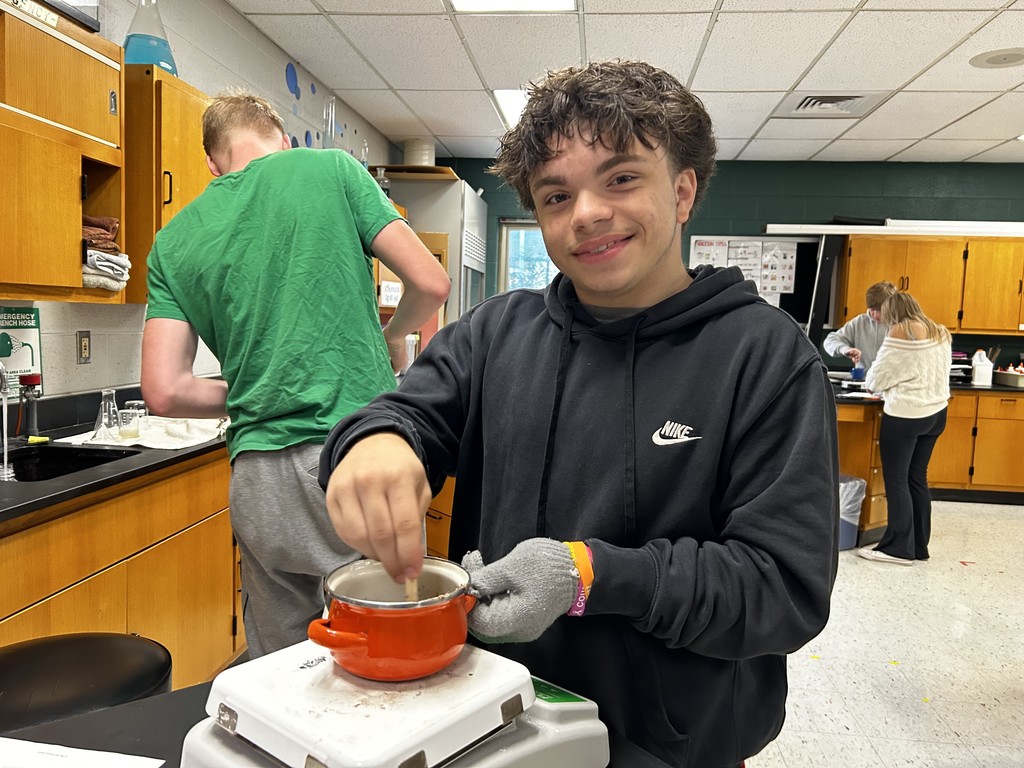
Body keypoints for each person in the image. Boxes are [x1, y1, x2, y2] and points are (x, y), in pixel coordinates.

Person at [318, 60, 838, 768]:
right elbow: (409, 412)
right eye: (556, 195)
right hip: (498, 719)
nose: (586, 213)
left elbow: (784, 589)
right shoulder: (496, 331)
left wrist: (590, 576)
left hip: (672, 743)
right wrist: (378, 441)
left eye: (622, 178)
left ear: (683, 191)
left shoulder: (766, 357)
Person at [140, 91, 451, 657]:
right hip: (356, 454)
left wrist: (262, 386)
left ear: (213, 163)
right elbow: (431, 285)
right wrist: (389, 337)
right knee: (387, 649)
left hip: (257, 478)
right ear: (282, 140)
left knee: (281, 666)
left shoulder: (172, 241)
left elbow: (164, 391)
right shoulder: (330, 168)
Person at [859, 293, 951, 565]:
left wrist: (877, 381)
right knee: (917, 478)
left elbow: (876, 379)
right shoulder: (940, 331)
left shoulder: (901, 331)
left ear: (893, 314)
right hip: (936, 413)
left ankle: (898, 548)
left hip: (907, 415)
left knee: (897, 480)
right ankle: (918, 546)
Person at [823, 281, 899, 371]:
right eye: (872, 310)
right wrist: (845, 349)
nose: (875, 315)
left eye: (879, 310)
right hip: (864, 382)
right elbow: (830, 341)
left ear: (891, 307)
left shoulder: (901, 325)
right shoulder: (859, 322)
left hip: (891, 382)